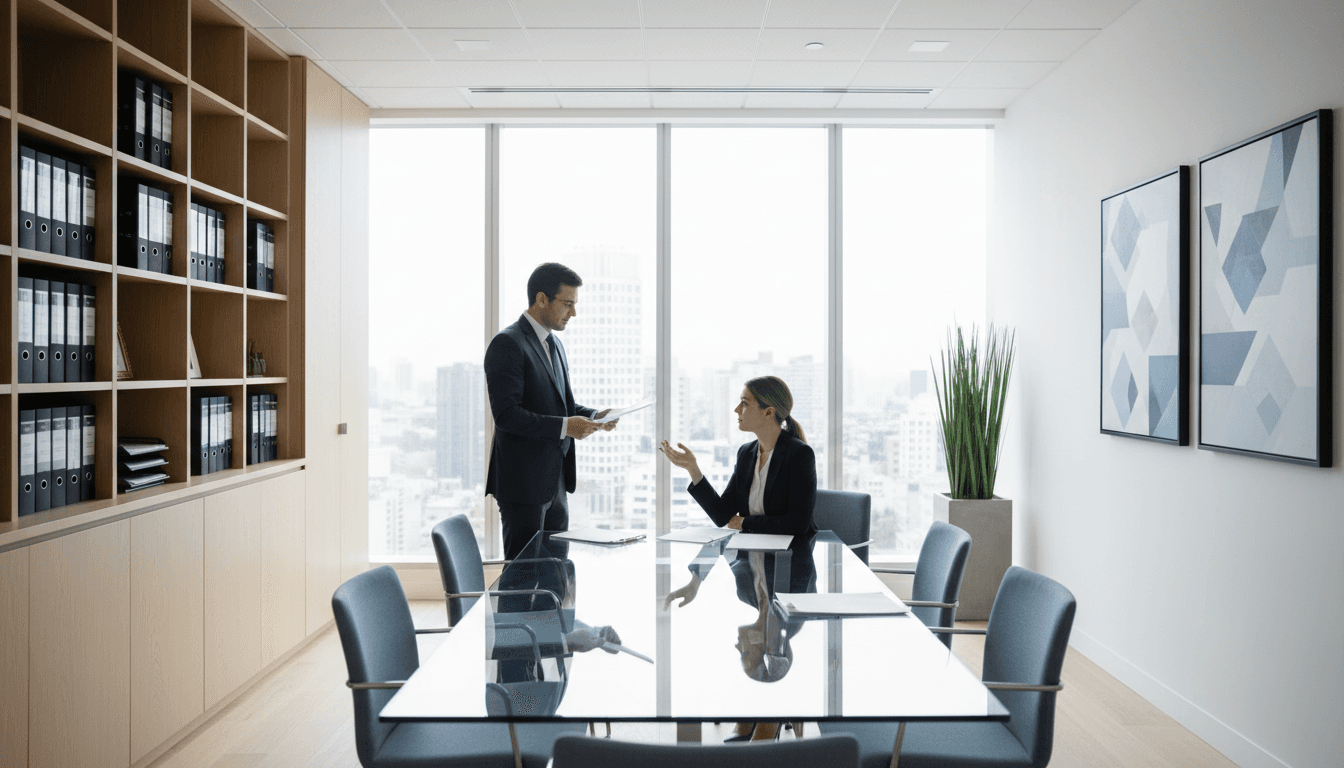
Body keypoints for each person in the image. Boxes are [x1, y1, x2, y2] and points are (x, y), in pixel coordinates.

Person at [485, 262, 618, 560]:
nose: (574, 313)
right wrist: (566, 427)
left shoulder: (554, 344)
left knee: (556, 571)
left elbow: (562, 405)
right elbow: (506, 415)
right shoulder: (508, 343)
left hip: (555, 483)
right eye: (568, 304)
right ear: (542, 299)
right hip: (523, 486)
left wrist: (596, 416)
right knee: (522, 576)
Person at [659, 375, 817, 538]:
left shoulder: (800, 454)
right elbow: (722, 515)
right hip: (749, 547)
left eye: (745, 403)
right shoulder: (746, 453)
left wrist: (744, 522)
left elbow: (798, 524)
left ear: (769, 412)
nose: (736, 409)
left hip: (791, 551)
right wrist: (693, 469)